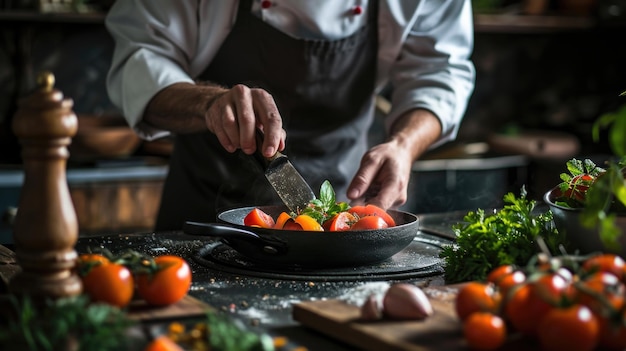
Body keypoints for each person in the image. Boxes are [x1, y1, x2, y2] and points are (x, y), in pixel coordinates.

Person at [104, 0, 475, 231]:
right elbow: (140, 58)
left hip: (346, 204)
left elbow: (440, 72)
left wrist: (404, 145)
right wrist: (207, 102)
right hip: (204, 215)